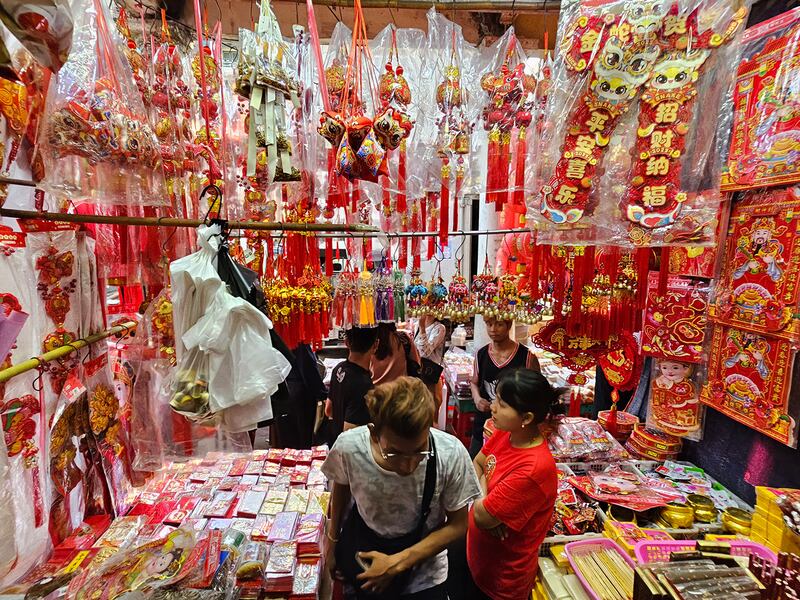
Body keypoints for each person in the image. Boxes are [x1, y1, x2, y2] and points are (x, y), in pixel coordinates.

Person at [322, 377, 481, 599]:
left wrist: (396, 563)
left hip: (425, 577)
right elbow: (341, 488)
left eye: (419, 451)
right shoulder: (349, 448)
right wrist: (332, 543)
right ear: (373, 433)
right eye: (395, 452)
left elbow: (458, 524)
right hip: (364, 561)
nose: (408, 465)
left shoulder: (450, 453)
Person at [467, 369, 560, 600]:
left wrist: (485, 508)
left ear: (526, 418)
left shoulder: (533, 469)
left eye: (502, 403)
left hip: (502, 581)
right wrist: (486, 500)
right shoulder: (505, 432)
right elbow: (476, 463)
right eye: (495, 398)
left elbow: (481, 516)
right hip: (479, 560)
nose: (493, 407)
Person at [470, 317, 541, 457]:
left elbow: (537, 390)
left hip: (514, 429)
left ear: (508, 326)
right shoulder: (481, 354)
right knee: (476, 464)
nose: (493, 329)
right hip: (484, 424)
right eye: (489, 324)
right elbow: (474, 382)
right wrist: (477, 399)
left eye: (499, 324)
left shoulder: (526, 356)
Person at [326, 326, 379, 441]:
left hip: (334, 444)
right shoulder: (364, 386)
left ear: (346, 342)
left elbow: (328, 410)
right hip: (350, 454)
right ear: (375, 345)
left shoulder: (338, 369)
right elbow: (350, 433)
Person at [414, 314, 447, 416]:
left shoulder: (439, 328)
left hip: (429, 373)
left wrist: (422, 328)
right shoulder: (417, 325)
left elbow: (424, 352)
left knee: (428, 409)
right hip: (418, 372)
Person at [371, 321, 421, 386]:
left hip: (377, 393)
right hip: (401, 392)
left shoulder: (370, 343)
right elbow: (417, 364)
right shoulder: (403, 338)